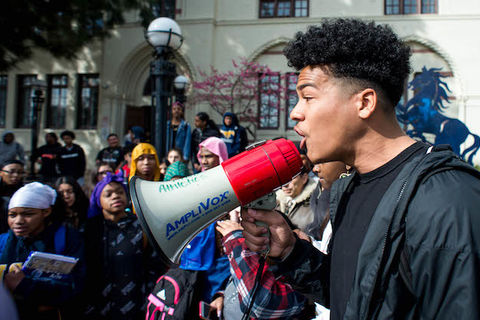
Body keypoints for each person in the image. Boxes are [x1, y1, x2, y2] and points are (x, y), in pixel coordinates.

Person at [240, 18, 480, 320]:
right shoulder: (348, 189)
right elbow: (358, 297)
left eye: (308, 97)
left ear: (365, 103)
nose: (295, 113)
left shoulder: (447, 200)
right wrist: (291, 253)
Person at [0, 182, 85, 319]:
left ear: (46, 211)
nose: (18, 221)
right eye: (12, 215)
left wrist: (25, 285)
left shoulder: (66, 238)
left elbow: (77, 285)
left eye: (27, 214)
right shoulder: (3, 243)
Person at [84, 173, 152, 319]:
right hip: (97, 305)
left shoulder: (140, 225)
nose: (116, 196)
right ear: (98, 200)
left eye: (120, 192)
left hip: (135, 303)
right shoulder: (90, 229)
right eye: (108, 194)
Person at [178, 137, 232, 314]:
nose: (204, 161)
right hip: (196, 252)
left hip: (220, 252)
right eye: (201, 156)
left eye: (209, 156)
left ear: (220, 156)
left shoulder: (230, 182)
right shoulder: (195, 181)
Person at [275, 167, 318, 232]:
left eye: (291, 179)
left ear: (304, 178)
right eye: (282, 178)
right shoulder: (274, 203)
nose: (285, 184)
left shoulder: (316, 203)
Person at [0, 160, 24, 234]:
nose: (16, 175)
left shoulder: (25, 191)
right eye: (11, 172)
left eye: (20, 172)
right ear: (1, 172)